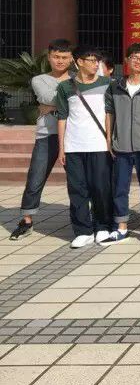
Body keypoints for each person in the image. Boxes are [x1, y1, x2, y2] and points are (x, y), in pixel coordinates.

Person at [10, 39, 73, 240]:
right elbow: (49, 98)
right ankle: (26, 220)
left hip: (74, 136)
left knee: (78, 181)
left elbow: (55, 102)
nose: (60, 61)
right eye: (56, 57)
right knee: (35, 178)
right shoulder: (39, 79)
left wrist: (51, 107)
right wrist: (67, 100)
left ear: (71, 59)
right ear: (49, 57)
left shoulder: (78, 78)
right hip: (47, 135)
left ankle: (82, 219)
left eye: (64, 57)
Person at [103, 43, 140, 245]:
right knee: (120, 188)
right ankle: (121, 227)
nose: (138, 61)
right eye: (134, 57)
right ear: (127, 60)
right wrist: (109, 139)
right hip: (120, 146)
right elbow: (109, 113)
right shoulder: (115, 86)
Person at [55, 46, 114, 248]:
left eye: (97, 61)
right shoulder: (65, 87)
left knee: (101, 188)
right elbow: (62, 118)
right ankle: (83, 231)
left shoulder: (107, 84)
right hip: (74, 145)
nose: (95, 64)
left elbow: (110, 114)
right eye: (91, 60)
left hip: (100, 145)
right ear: (79, 62)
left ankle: (103, 227)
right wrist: (62, 148)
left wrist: (110, 140)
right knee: (77, 189)